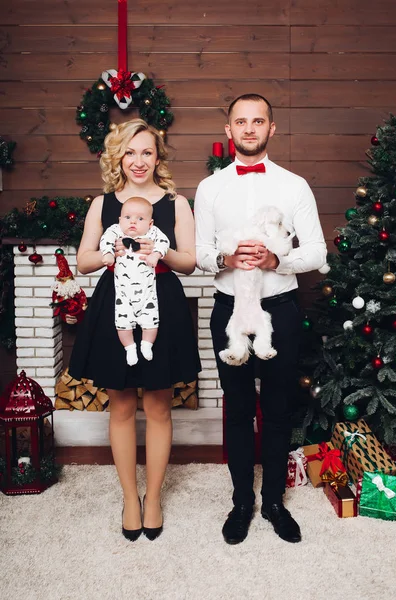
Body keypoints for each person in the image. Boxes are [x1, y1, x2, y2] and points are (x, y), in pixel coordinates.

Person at [195, 94, 327, 545]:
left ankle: (272, 501)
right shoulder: (210, 188)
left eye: (258, 121)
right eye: (240, 121)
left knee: (276, 410)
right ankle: (240, 502)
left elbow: (316, 251)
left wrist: (277, 260)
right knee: (236, 410)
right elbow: (197, 255)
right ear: (228, 131)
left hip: (280, 311)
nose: (249, 129)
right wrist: (225, 256)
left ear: (271, 129)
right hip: (229, 308)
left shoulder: (294, 186)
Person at [69, 119, 201, 542]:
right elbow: (83, 261)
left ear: (157, 156)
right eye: (130, 152)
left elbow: (190, 261)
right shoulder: (103, 205)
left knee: (160, 407)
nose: (139, 161)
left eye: (146, 152)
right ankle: (130, 497)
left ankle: (155, 496)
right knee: (121, 406)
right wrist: (109, 255)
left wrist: (159, 253)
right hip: (116, 306)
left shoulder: (176, 203)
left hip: (161, 304)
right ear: (118, 157)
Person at [100, 196, 170, 366]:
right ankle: (130, 348)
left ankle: (147, 345)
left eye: (140, 218)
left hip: (147, 292)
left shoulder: (152, 233)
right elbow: (106, 240)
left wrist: (156, 254)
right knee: (122, 324)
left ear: (150, 223)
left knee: (151, 321)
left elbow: (164, 242)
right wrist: (108, 253)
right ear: (120, 219)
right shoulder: (116, 230)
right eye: (127, 217)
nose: (133, 222)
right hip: (123, 293)